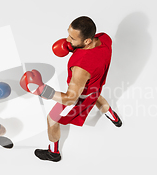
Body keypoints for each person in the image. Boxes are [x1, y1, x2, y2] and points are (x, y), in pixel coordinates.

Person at [20, 16, 122, 162]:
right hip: (95, 85)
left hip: (82, 94)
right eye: (68, 34)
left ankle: (53, 153)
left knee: (52, 119)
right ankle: (114, 118)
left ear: (87, 41)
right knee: (97, 97)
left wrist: (42, 90)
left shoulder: (81, 67)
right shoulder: (104, 39)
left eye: (73, 39)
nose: (67, 40)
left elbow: (70, 98)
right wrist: (74, 47)